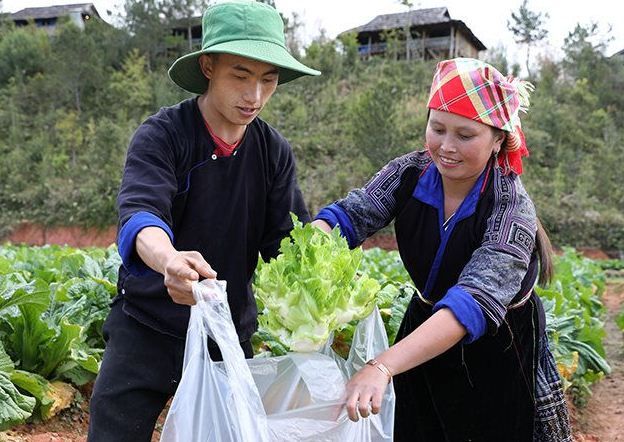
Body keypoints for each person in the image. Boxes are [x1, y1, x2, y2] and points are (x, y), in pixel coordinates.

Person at [88, 2, 320, 440]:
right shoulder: (164, 134)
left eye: (268, 80)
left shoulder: (273, 152)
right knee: (114, 429)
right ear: (208, 66)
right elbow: (141, 215)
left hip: (227, 332)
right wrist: (169, 260)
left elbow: (287, 244)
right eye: (240, 75)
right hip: (148, 324)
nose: (254, 95)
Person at [313, 58, 571, 441]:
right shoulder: (409, 173)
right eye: (437, 129)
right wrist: (311, 246)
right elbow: (351, 217)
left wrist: (382, 367)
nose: (446, 148)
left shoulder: (511, 209)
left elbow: (472, 303)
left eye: (465, 136)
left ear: (498, 138)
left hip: (497, 344)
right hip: (423, 325)